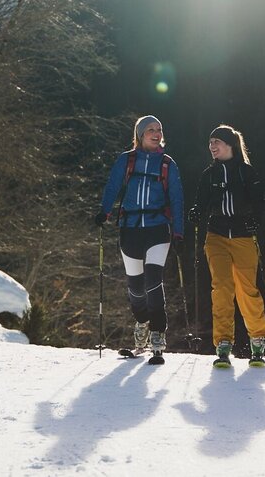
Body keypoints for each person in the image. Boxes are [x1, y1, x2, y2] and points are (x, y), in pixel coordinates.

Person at [96, 115, 184, 360]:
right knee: (135, 287)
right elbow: (112, 186)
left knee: (153, 280)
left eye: (159, 129)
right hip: (130, 227)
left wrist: (178, 231)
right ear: (140, 134)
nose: (156, 134)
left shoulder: (167, 163)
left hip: (158, 228)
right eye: (150, 130)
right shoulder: (127, 160)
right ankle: (142, 322)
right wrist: (104, 212)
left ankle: (158, 333)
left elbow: (177, 198)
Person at [188, 125, 265, 367]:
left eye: (217, 142)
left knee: (247, 290)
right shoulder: (209, 175)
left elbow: (260, 201)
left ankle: (257, 340)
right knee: (221, 287)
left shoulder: (246, 172)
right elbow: (200, 202)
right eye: (210, 142)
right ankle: (223, 344)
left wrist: (257, 218)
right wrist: (196, 212)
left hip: (244, 237)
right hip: (217, 236)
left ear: (230, 145)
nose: (212, 146)